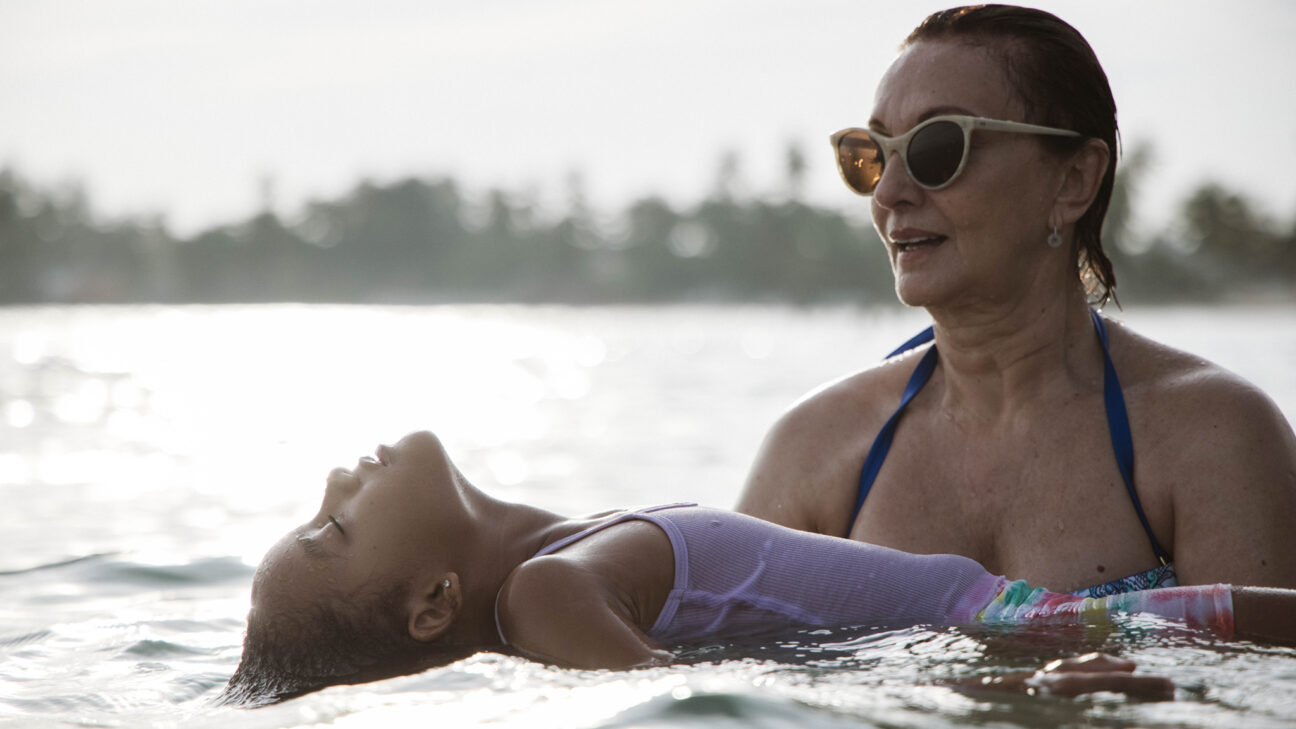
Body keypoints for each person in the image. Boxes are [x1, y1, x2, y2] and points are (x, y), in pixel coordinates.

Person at [737, 4, 1296, 596]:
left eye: (937, 147)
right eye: (871, 155)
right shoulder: (815, 452)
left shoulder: (1213, 437)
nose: (891, 192)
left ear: (1073, 180)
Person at [224, 431, 1296, 705]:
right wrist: (1007, 689)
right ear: (432, 605)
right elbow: (690, 713)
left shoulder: (563, 558)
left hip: (1018, 618)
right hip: (1025, 628)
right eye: (333, 529)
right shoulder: (551, 590)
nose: (336, 479)